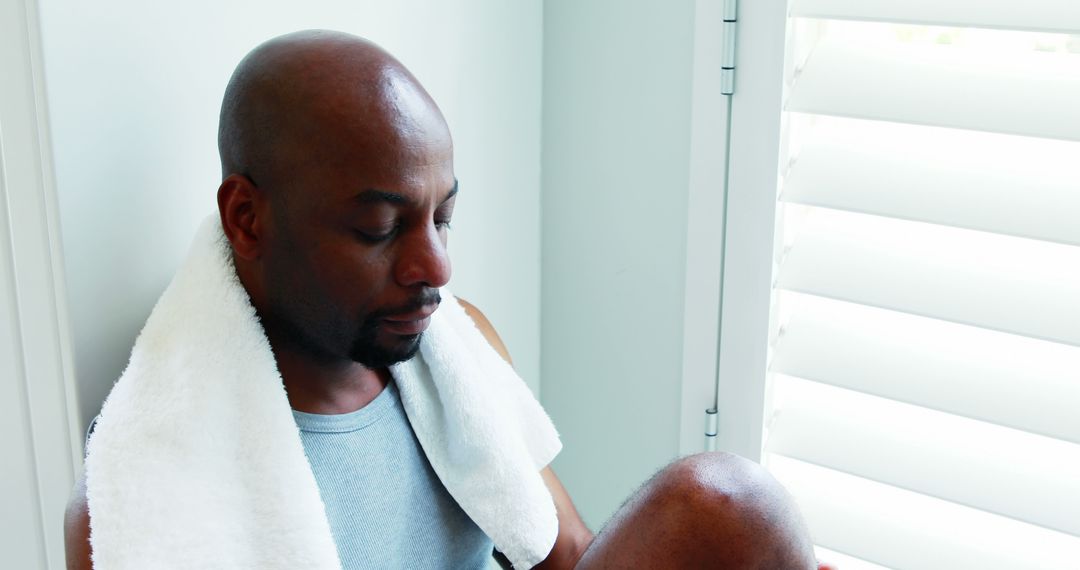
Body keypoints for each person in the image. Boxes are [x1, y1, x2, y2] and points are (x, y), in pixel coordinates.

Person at [65, 30, 828, 569]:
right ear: (247, 217)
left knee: (727, 504)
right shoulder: (143, 492)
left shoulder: (460, 349)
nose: (435, 264)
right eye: (379, 228)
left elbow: (560, 555)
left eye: (443, 216)